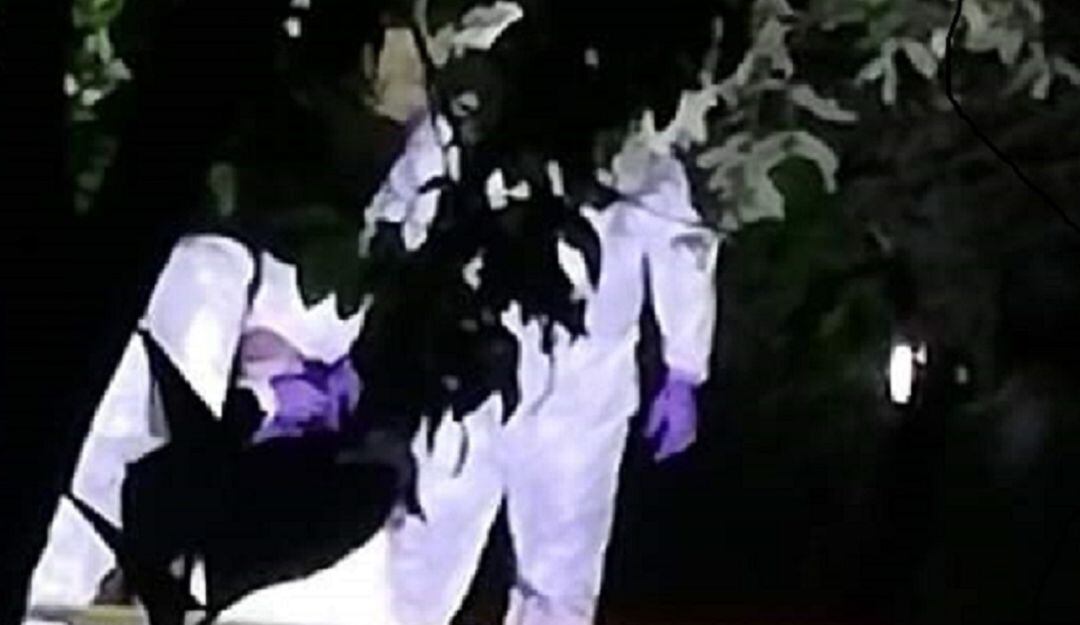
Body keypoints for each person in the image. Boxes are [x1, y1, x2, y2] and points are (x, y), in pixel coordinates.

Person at [373, 89, 723, 625]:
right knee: (419, 554)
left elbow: (679, 244)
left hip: (583, 389)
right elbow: (398, 211)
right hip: (469, 361)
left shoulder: (633, 142)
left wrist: (684, 365)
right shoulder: (474, 112)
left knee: (560, 572)